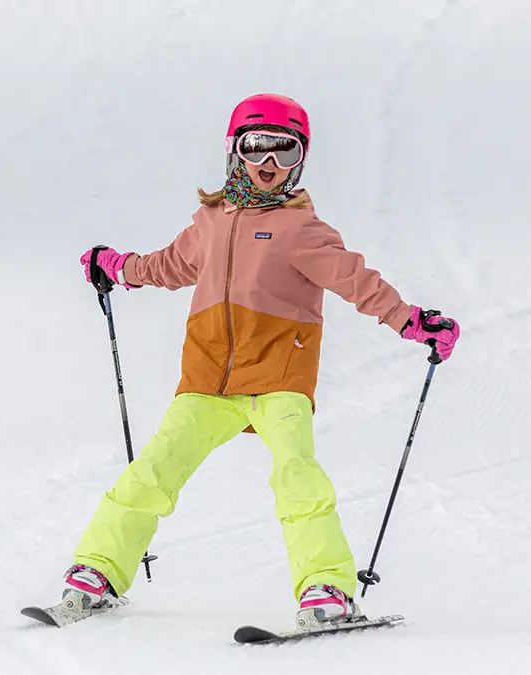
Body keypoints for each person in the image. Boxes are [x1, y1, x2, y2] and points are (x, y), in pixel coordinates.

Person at [66, 93, 460, 626]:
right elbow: (168, 265)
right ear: (235, 151)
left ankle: (328, 589)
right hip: (207, 381)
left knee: (296, 474)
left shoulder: (301, 229)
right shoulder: (209, 221)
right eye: (258, 148)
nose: (269, 164)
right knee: (154, 470)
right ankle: (99, 572)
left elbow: (357, 282)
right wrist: (119, 267)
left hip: (278, 378)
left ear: (301, 160)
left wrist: (411, 321)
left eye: (285, 151)